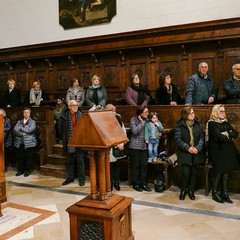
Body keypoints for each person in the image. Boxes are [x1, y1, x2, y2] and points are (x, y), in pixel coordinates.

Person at [206, 104, 239, 203]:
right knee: (220, 171)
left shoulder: (225, 122)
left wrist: (226, 133)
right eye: (221, 111)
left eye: (224, 111)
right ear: (215, 112)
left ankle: (224, 193)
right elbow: (218, 136)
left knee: (226, 171)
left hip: (227, 150)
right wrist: (228, 135)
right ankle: (215, 193)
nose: (224, 113)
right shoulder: (212, 123)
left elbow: (235, 133)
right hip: (217, 151)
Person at [175, 106, 205, 200]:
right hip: (185, 153)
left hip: (196, 152)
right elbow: (178, 139)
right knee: (185, 173)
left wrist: (197, 148)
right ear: (185, 115)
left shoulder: (197, 124)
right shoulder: (180, 125)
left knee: (193, 172)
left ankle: (191, 190)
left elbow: (201, 138)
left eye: (193, 112)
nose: (193, 114)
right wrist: (188, 148)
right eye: (191, 113)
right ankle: (183, 189)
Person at [58, 100, 85, 186]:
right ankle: (70, 177)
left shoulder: (82, 115)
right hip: (69, 140)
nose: (75, 107)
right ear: (69, 107)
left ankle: (81, 179)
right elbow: (60, 129)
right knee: (70, 161)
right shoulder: (64, 116)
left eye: (76, 105)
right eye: (73, 106)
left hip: (80, 141)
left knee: (80, 161)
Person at [129, 106, 151, 192]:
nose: (147, 114)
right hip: (135, 146)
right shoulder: (133, 120)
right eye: (146, 112)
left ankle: (143, 183)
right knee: (136, 166)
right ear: (140, 113)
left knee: (144, 166)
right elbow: (134, 131)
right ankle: (136, 183)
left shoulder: (148, 120)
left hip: (144, 146)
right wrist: (142, 122)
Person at [105, 104, 127, 191]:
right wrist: (115, 143)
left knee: (117, 166)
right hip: (109, 147)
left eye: (114, 111)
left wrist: (121, 143)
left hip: (119, 146)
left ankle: (116, 183)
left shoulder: (118, 118)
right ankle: (109, 184)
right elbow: (106, 134)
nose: (114, 113)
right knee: (110, 167)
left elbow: (123, 131)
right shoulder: (104, 120)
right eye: (112, 111)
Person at [14, 108, 37, 177]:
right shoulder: (19, 121)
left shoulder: (32, 122)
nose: (26, 113)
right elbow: (15, 130)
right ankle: (20, 170)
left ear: (30, 114)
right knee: (20, 157)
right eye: (25, 112)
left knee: (28, 157)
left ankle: (27, 170)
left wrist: (20, 129)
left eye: (27, 112)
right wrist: (22, 134)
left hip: (29, 142)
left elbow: (30, 130)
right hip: (20, 142)